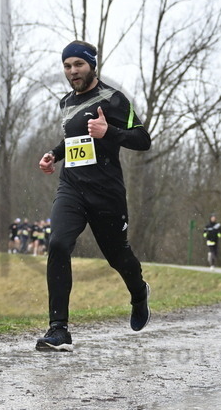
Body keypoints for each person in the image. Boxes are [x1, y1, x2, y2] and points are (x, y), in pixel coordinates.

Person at [35, 40, 152, 352]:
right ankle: (58, 329)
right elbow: (73, 139)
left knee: (119, 258)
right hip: (71, 188)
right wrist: (53, 154)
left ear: (91, 66)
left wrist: (109, 132)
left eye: (78, 65)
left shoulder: (113, 99)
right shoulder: (65, 103)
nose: (73, 71)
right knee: (58, 243)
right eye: (67, 66)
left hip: (106, 194)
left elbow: (143, 140)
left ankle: (139, 294)